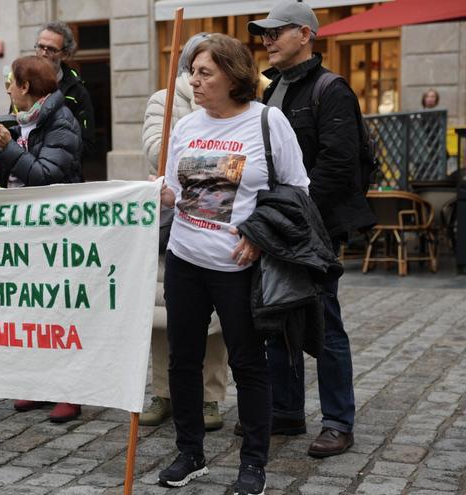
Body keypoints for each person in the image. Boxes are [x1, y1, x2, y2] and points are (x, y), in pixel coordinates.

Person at [154, 34, 309, 494]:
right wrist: (161, 194)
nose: (194, 81)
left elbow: (298, 191)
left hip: (240, 268)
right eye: (191, 72)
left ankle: (254, 463)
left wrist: (260, 236)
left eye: (205, 73)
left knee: (248, 364)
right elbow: (176, 192)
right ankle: (190, 452)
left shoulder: (267, 122)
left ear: (234, 75)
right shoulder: (185, 126)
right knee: (183, 361)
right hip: (184, 258)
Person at [249, 0, 375, 458]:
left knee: (325, 321)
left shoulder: (331, 89)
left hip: (313, 224)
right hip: (280, 222)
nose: (267, 40)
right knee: (278, 313)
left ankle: (339, 422)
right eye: (263, 33)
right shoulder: (272, 89)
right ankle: (285, 411)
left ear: (305, 35)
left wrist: (295, 213)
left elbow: (338, 164)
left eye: (276, 31)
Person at [0, 55, 83, 421]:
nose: (7, 88)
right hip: (27, 229)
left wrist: (10, 149)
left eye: (12, 82)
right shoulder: (25, 121)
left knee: (60, 311)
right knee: (31, 310)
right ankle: (37, 384)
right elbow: (16, 176)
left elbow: (46, 176)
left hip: (56, 231)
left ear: (27, 88)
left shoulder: (61, 121)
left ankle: (70, 390)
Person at [140, 32, 229, 430]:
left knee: (213, 323)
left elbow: (235, 160)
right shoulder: (164, 101)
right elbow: (157, 152)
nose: (200, 78)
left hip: (215, 222)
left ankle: (210, 398)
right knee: (162, 316)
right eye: (198, 68)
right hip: (168, 223)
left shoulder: (231, 105)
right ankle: (164, 391)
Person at [34, 22, 95, 158]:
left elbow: (87, 142)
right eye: (40, 47)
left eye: (51, 49)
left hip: (63, 173)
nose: (44, 53)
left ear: (65, 54)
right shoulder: (23, 83)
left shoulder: (78, 91)